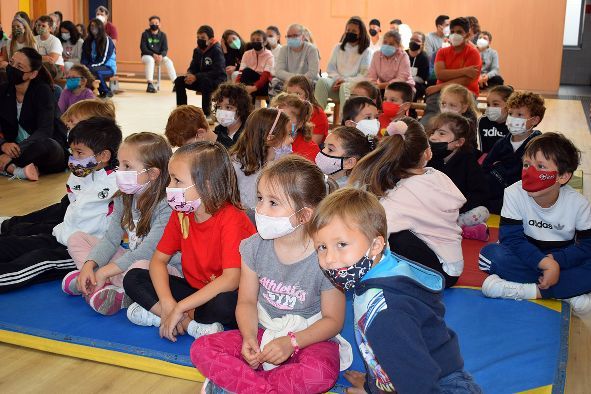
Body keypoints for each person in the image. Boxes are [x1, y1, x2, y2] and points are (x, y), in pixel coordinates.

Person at [192, 156, 346, 394]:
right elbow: (246, 301)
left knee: (320, 374)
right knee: (202, 348)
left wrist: (291, 342)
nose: (260, 209)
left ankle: (240, 385)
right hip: (263, 330)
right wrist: (249, 337)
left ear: (304, 215)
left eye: (273, 203)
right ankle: (260, 387)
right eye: (261, 198)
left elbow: (333, 321)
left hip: (308, 338)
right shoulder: (253, 247)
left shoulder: (326, 256)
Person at [309, 188, 482, 394]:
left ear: (375, 246)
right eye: (322, 247)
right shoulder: (376, 271)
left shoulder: (387, 313)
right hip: (417, 376)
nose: (329, 259)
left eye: (341, 244)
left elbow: (420, 385)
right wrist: (374, 384)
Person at [123, 141, 256, 340]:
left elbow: (231, 280)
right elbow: (158, 261)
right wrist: (168, 304)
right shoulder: (181, 213)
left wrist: (181, 306)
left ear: (207, 184)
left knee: (227, 304)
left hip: (224, 294)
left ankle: (168, 316)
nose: (170, 187)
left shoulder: (232, 218)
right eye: (171, 180)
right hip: (194, 292)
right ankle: (185, 322)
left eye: (177, 180)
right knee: (133, 277)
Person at [64, 132, 181, 315]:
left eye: (127, 166)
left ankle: (111, 289)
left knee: (137, 268)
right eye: (119, 164)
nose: (119, 171)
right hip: (129, 259)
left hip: (163, 269)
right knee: (76, 239)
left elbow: (148, 252)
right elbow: (110, 239)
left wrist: (104, 271)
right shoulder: (124, 197)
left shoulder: (167, 205)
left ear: (152, 173)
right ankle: (95, 281)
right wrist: (89, 264)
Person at [0, 117, 121, 292]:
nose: (73, 158)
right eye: (72, 152)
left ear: (103, 156)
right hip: (60, 234)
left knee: (33, 261)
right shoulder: (82, 172)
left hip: (83, 252)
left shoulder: (118, 184)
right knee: (12, 243)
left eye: (79, 153)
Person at [479, 133, 591, 317]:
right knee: (490, 255)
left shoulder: (578, 203)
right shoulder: (514, 193)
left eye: (540, 167)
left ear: (562, 177)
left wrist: (555, 261)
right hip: (524, 255)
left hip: (561, 260)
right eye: (526, 165)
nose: (530, 172)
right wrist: (544, 263)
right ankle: (566, 293)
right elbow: (511, 239)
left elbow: (587, 246)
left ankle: (528, 291)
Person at [349, 117, 466, 287]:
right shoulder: (436, 176)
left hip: (439, 273)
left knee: (382, 231)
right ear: (428, 153)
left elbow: (378, 226)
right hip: (451, 264)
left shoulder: (405, 192)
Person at [0, 98, 116, 237]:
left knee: (35, 230)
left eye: (73, 124)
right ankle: (10, 224)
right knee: (44, 216)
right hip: (71, 208)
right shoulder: (85, 162)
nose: (68, 128)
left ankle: (11, 227)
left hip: (78, 230)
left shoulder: (108, 174)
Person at [0, 48, 68, 181]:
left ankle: (9, 166)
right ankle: (17, 169)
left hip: (41, 148)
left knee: (46, 145)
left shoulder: (43, 91)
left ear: (32, 74)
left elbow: (45, 131)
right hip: (11, 148)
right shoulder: (3, 90)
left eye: (19, 66)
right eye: (12, 62)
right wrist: (3, 145)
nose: (12, 68)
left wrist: (16, 151)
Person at [427, 112, 490, 241]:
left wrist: (457, 208)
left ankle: (449, 228)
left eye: (442, 133)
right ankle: (462, 230)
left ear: (459, 142)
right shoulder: (427, 158)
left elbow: (479, 192)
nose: (433, 137)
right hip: (431, 210)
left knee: (482, 211)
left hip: (456, 212)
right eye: (433, 133)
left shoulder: (468, 161)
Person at [483, 91, 544, 214]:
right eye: (511, 113)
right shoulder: (501, 143)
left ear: (534, 120)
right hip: (499, 187)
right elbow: (485, 166)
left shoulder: (539, 146)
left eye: (520, 114)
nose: (513, 118)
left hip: (522, 192)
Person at [421, 17, 482, 126]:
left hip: (466, 92)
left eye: (459, 32)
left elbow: (466, 81)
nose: (455, 34)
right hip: (441, 92)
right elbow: (440, 74)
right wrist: (464, 70)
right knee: (431, 115)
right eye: (452, 32)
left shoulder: (474, 53)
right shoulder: (442, 52)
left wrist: (438, 86)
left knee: (468, 120)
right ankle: (425, 139)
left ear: (467, 35)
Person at [229, 108, 293, 210]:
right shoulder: (236, 166)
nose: (292, 140)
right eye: (289, 134)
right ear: (270, 138)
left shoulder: (279, 163)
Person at [314, 17, 372, 111]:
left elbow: (364, 75)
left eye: (354, 30)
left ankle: (344, 121)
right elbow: (331, 69)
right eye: (348, 30)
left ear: (361, 33)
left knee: (345, 87)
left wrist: (345, 81)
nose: (350, 32)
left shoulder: (367, 51)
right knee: (322, 82)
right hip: (336, 84)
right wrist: (338, 80)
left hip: (353, 87)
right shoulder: (338, 48)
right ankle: (317, 116)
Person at [173, 25, 225, 117]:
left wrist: (196, 76)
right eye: (198, 37)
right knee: (179, 80)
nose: (199, 40)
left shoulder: (217, 50)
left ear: (211, 39)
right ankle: (182, 111)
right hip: (200, 79)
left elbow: (218, 71)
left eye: (203, 38)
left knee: (206, 82)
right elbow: (193, 67)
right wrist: (189, 74)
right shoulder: (197, 51)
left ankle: (206, 113)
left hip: (216, 80)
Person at [268, 24, 319, 97]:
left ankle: (308, 108)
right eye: (289, 36)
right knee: (275, 83)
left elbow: (313, 73)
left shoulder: (311, 49)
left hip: (306, 82)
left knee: (316, 85)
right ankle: (277, 108)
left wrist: (299, 81)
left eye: (295, 35)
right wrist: (294, 80)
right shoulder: (284, 49)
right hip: (287, 81)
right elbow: (279, 71)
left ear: (303, 37)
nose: (291, 38)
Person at [271, 93, 317, 162]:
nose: (277, 122)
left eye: (285, 119)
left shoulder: (310, 151)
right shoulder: (267, 141)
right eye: (275, 117)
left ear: (300, 123)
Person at [285, 75, 328, 144]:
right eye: (289, 93)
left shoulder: (319, 115)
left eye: (298, 94)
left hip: (307, 152)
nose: (292, 98)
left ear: (307, 95)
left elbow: (312, 146)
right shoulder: (283, 111)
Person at [140, 15, 177, 94]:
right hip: (147, 56)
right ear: (149, 24)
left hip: (159, 57)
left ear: (160, 24)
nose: (154, 24)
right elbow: (143, 48)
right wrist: (153, 54)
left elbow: (165, 49)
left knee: (168, 61)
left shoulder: (163, 35)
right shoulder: (145, 34)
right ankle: (150, 84)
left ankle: (176, 83)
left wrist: (161, 55)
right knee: (150, 60)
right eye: (152, 23)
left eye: (156, 23)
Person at [81, 18, 116, 98]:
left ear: (100, 27)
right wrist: (84, 65)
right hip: (92, 67)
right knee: (85, 71)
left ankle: (106, 91)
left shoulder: (107, 40)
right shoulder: (87, 40)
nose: (93, 27)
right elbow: (84, 56)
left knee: (94, 71)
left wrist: (89, 67)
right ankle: (93, 92)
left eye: (95, 26)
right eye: (92, 26)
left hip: (108, 67)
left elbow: (104, 59)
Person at [212, 82, 253, 148]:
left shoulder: (248, 133)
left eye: (228, 107)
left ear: (241, 109)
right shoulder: (219, 130)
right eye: (219, 107)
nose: (222, 112)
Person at [236, 30, 274, 98]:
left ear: (265, 42)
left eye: (258, 40)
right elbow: (241, 72)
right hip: (249, 81)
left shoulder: (269, 55)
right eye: (253, 40)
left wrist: (254, 88)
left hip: (263, 82)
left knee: (247, 72)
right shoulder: (247, 54)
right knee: (246, 72)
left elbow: (266, 75)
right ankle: (247, 100)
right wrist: (237, 85)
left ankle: (253, 101)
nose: (255, 42)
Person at [478, 85, 513, 154]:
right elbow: (483, 149)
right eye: (488, 104)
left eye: (495, 104)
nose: (490, 108)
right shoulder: (483, 121)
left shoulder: (515, 123)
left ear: (509, 105)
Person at [406, 31, 430, 102]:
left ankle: (411, 111)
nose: (413, 42)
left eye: (417, 41)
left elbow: (423, 78)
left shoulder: (424, 57)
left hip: (417, 85)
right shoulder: (403, 54)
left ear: (422, 44)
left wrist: (409, 80)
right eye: (412, 39)